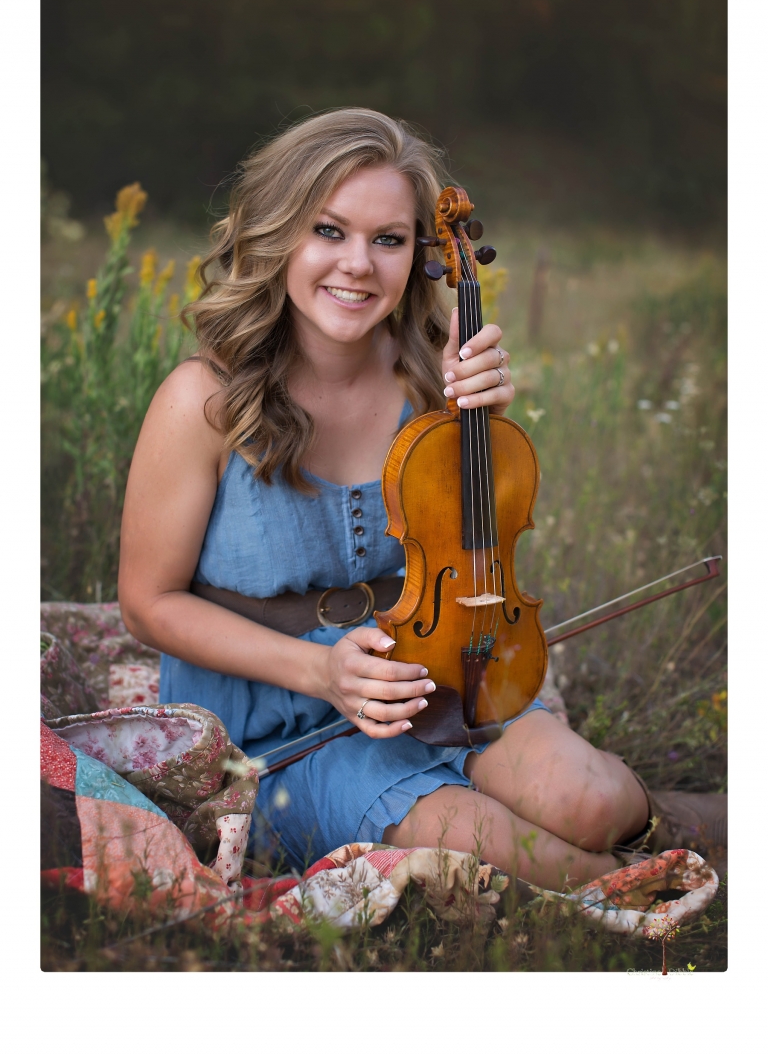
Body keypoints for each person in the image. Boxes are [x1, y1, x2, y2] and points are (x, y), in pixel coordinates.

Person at [118, 108, 721, 892]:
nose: (359, 265)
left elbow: (471, 553)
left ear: (421, 254)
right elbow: (146, 604)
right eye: (329, 231)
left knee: (594, 799)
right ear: (277, 235)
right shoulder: (202, 401)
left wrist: (479, 431)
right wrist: (321, 672)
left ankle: (661, 827)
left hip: (431, 675)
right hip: (275, 725)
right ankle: (676, 881)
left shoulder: (430, 382)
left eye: (389, 239)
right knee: (543, 859)